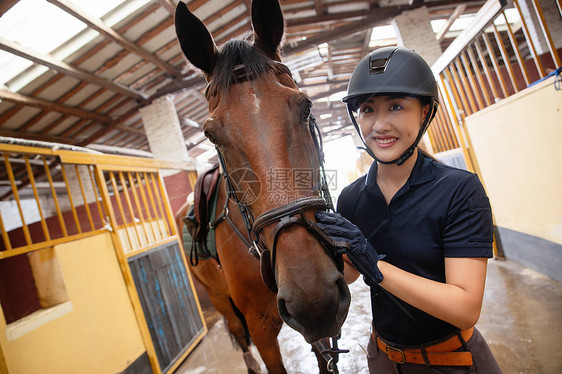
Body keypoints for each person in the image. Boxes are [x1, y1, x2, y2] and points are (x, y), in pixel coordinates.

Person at [315, 46, 503, 373]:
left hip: (450, 362)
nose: (380, 125)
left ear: (425, 111)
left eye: (396, 106)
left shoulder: (459, 191)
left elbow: (465, 308)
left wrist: (374, 264)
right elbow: (348, 272)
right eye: (368, 110)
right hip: (383, 359)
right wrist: (307, 246)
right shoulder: (352, 198)